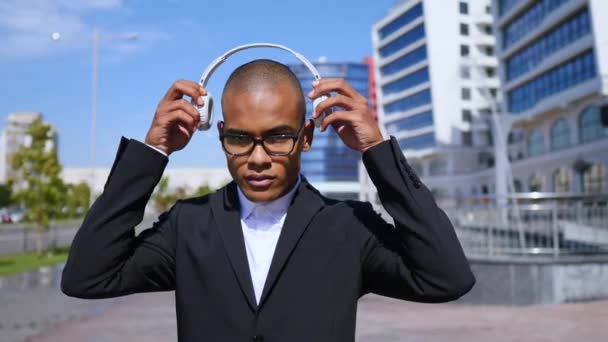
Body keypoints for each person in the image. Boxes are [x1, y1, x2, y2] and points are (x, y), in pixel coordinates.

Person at [61, 59, 475, 342]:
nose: (258, 158)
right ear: (220, 134)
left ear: (306, 137)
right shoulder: (188, 223)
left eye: (278, 137)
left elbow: (446, 279)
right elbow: (87, 277)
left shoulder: (347, 227)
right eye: (240, 139)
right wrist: (152, 153)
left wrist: (377, 150)